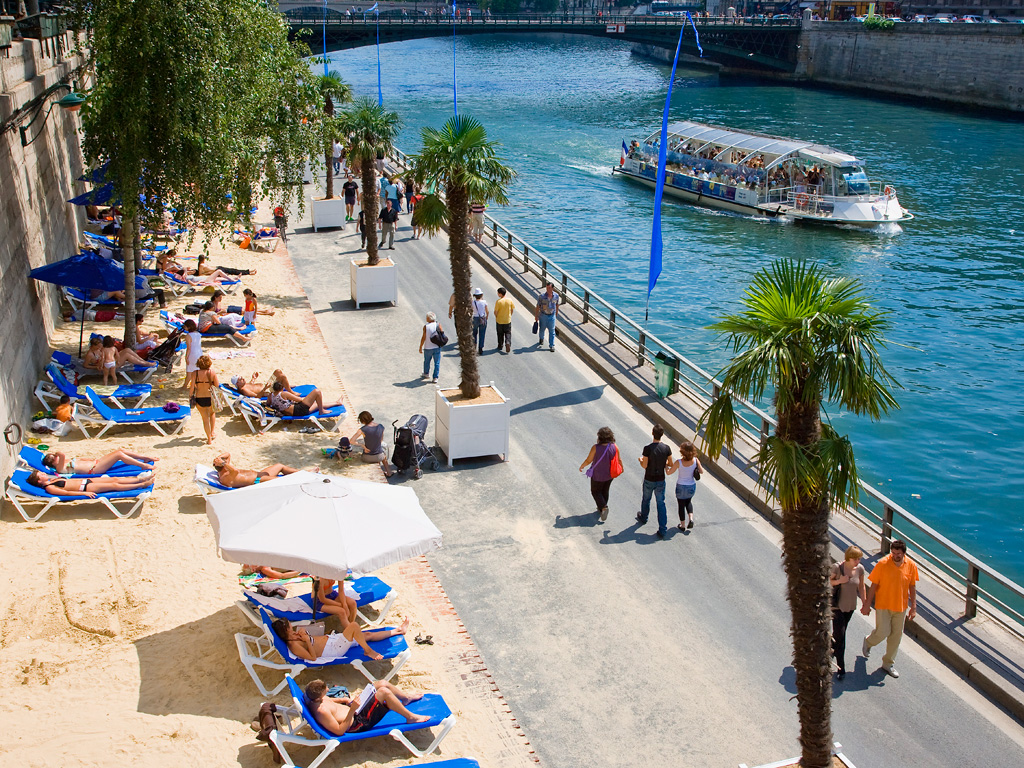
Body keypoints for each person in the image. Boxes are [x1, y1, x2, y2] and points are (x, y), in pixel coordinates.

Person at [861, 540, 919, 678]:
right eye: (893, 553)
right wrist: (867, 604)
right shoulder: (882, 564)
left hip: (901, 606)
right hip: (884, 605)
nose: (895, 556)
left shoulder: (911, 565)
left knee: (896, 637)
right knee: (883, 632)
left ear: (904, 553)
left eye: (898, 553)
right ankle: (868, 641)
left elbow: (912, 586)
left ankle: (888, 664)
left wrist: (914, 607)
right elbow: (874, 585)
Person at [302, 677, 430, 736]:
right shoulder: (321, 712)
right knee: (384, 692)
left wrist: (345, 699)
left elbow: (329, 700)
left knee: (381, 683)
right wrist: (352, 710)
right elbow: (339, 731)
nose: (328, 690)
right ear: (318, 698)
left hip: (354, 709)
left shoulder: (312, 695)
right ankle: (411, 717)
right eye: (325, 690)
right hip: (358, 722)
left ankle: (406, 698)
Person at [272, 616, 410, 663]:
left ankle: (398, 630)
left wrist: (305, 634)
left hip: (332, 640)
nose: (291, 625)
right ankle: (368, 651)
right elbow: (312, 658)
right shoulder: (294, 646)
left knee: (367, 635)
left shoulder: (294, 636)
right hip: (333, 649)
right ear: (286, 631)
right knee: (354, 626)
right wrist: (307, 640)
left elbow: (313, 640)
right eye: (289, 626)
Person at [832, 545, 868, 680]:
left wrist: (865, 603)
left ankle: (831, 645)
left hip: (850, 607)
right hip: (837, 608)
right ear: (848, 558)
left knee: (841, 632)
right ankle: (841, 669)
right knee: (841, 639)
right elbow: (829, 582)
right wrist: (840, 581)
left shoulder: (860, 569)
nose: (858, 561)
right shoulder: (837, 567)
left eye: (859, 559)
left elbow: (861, 586)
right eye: (856, 559)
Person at [637, 423, 673, 538]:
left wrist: (640, 460)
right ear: (662, 435)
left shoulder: (647, 448)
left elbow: (644, 465)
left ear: (653, 433)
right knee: (661, 503)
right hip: (660, 480)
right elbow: (670, 463)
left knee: (646, 499)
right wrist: (663, 463)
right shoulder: (667, 448)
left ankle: (644, 517)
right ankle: (663, 529)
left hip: (649, 479)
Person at [578, 427, 619, 523]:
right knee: (605, 490)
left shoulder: (596, 447)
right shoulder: (614, 446)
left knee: (595, 491)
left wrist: (582, 466)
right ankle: (601, 509)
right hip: (610, 474)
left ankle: (604, 507)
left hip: (598, 475)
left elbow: (589, 460)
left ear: (600, 437)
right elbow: (618, 459)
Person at [26, 470, 153, 497]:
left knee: (114, 479)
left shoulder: (52, 480)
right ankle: (141, 485)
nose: (43, 474)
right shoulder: (50, 488)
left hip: (87, 481)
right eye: (40, 475)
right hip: (85, 487)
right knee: (114, 486)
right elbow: (66, 493)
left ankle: (140, 479)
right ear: (39, 481)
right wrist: (85, 493)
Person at [666, 440, 703, 531]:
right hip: (691, 486)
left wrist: (666, 466)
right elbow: (701, 471)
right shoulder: (695, 460)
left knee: (681, 505)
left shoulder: (679, 462)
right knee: (688, 502)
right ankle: (691, 519)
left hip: (681, 486)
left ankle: (682, 525)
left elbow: (669, 473)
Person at [212, 452, 301, 488]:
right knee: (284, 481)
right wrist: (223, 463)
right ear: (223, 466)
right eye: (225, 463)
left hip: (260, 474)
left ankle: (306, 473)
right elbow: (236, 471)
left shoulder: (226, 469)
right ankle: (304, 479)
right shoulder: (225, 477)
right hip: (258, 481)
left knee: (279, 466)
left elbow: (228, 454)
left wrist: (219, 458)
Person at [42, 448, 157, 475]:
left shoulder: (63, 462)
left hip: (97, 462)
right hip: (95, 470)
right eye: (55, 457)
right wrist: (55, 454)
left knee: (119, 450)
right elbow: (61, 453)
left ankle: (144, 457)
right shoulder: (59, 468)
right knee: (119, 455)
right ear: (53, 462)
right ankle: (142, 465)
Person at [267, 381, 344, 418]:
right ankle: (322, 411)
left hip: (289, 412)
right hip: (299, 411)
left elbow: (268, 404)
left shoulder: (271, 395)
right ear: (282, 388)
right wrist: (305, 398)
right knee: (317, 392)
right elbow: (299, 400)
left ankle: (337, 402)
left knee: (316, 404)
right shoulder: (284, 394)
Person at [350, 411, 392, 478]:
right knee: (383, 456)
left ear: (362, 420)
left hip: (367, 457)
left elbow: (351, 441)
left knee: (356, 447)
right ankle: (389, 472)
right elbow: (380, 441)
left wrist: (362, 445)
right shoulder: (380, 427)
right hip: (379, 457)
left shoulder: (362, 430)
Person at [192, 355, 219, 445]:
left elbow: (192, 388)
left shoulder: (195, 373)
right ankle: (212, 432)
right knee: (212, 414)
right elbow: (217, 385)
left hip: (199, 397)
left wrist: (190, 397)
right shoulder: (212, 372)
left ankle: (209, 439)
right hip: (209, 396)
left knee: (205, 419)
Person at [419, 311, 444, 383]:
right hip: (436, 347)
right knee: (437, 363)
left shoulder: (425, 327)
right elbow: (442, 334)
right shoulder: (438, 325)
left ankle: (426, 373)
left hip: (428, 347)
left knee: (427, 361)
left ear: (428, 319)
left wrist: (420, 347)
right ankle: (435, 378)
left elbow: (423, 337)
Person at [534, 281, 559, 351]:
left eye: (549, 288)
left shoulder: (556, 296)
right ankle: (541, 338)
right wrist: (536, 315)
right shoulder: (541, 297)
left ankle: (551, 345)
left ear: (553, 288)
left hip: (552, 316)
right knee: (542, 329)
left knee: (552, 331)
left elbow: (557, 305)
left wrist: (556, 314)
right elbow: (538, 306)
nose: (548, 289)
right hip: (543, 315)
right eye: (547, 288)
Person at [183, 318, 203, 392]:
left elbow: (189, 348)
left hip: (192, 354)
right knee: (198, 370)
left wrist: (186, 357)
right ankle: (196, 385)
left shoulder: (188, 336)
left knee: (189, 372)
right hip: (199, 353)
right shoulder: (198, 334)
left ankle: (185, 386)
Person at [494, 286, 514, 354]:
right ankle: (508, 342)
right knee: (508, 333)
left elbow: (495, 312)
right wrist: (509, 316)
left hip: (499, 320)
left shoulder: (498, 302)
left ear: (500, 294)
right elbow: (512, 310)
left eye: (498, 293)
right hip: (507, 320)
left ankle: (500, 345)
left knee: (500, 333)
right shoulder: (510, 300)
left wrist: (496, 317)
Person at [471, 287, 488, 354]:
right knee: (482, 334)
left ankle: (474, 345)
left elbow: (471, 310)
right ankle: (480, 348)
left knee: (474, 333)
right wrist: (486, 317)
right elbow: (487, 311)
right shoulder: (484, 302)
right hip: (482, 318)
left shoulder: (473, 302)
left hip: (475, 318)